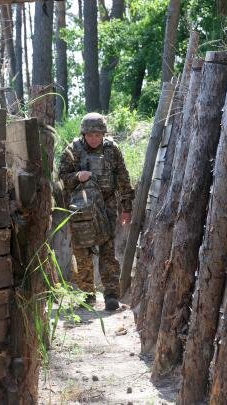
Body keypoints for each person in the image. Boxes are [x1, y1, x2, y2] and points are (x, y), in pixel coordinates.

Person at [58, 112, 134, 311]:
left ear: (103, 134)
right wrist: (77, 176)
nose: (94, 139)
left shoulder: (112, 150)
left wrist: (127, 208)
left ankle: (110, 295)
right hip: (81, 209)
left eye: (97, 135)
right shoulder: (72, 150)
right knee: (82, 252)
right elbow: (62, 177)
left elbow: (123, 178)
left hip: (106, 206)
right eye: (90, 135)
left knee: (108, 251)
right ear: (83, 134)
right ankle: (87, 295)